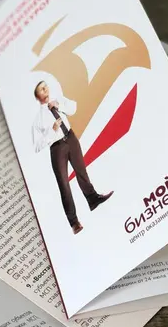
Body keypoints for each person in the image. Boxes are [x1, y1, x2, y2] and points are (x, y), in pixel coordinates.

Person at [32, 80, 113, 234]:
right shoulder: (38, 119)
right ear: (37, 96)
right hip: (57, 148)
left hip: (70, 138)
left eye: (45, 86)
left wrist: (59, 105)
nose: (46, 89)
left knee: (82, 171)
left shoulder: (58, 100)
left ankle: (93, 199)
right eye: (42, 89)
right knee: (64, 184)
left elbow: (74, 108)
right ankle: (74, 223)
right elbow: (36, 146)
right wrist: (52, 131)